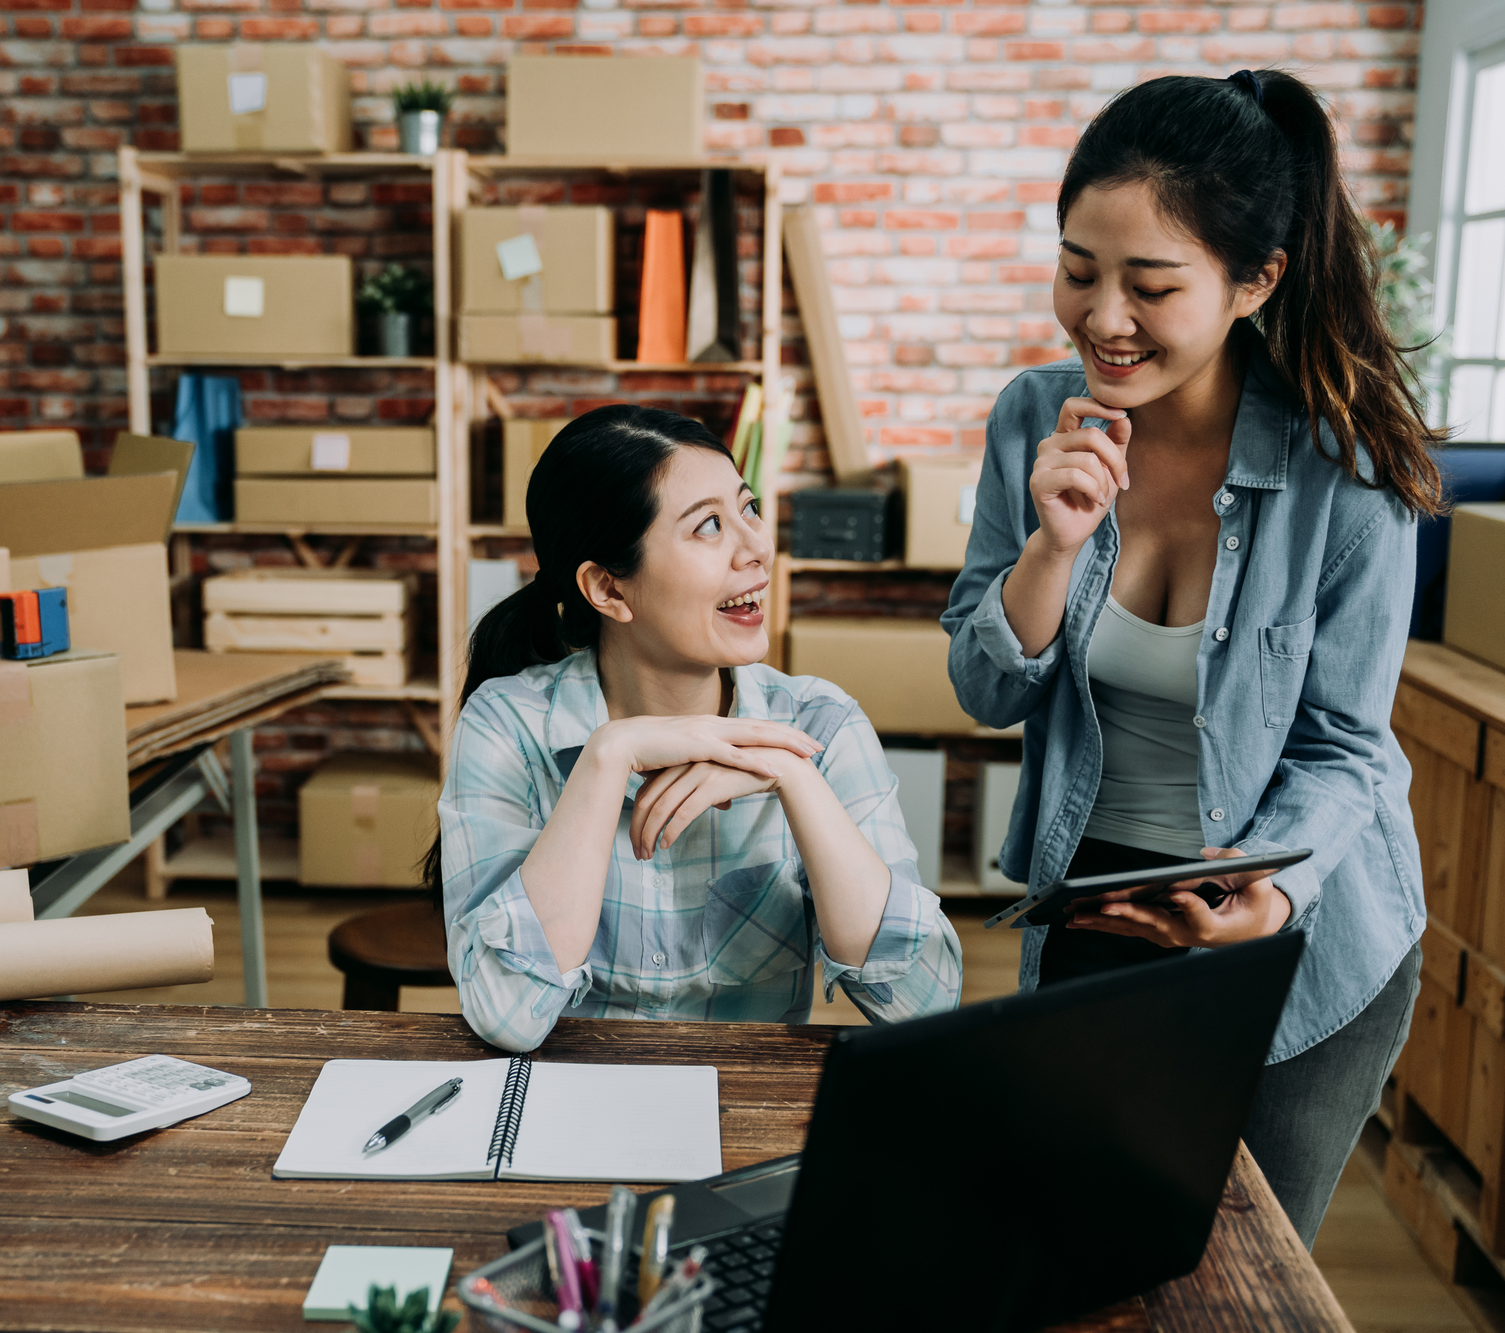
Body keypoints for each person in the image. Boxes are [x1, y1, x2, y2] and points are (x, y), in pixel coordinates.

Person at [943, 68, 1442, 1247]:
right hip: (1098, 905)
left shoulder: (1350, 472)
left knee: (1235, 1274)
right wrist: (1051, 550)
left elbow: (1340, 748)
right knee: (1071, 1249)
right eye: (1077, 270)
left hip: (1294, 928)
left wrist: (1265, 896)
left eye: (1149, 285)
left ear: (1252, 281)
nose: (1100, 317)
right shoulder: (1030, 420)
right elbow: (980, 688)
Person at [433, 405, 962, 1053]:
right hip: (562, 1112)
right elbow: (508, 1016)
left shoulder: (819, 724)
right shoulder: (506, 727)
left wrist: (792, 774)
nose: (756, 548)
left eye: (750, 508)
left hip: (743, 1118)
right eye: (710, 526)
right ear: (608, 588)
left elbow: (924, 1002)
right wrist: (607, 757)